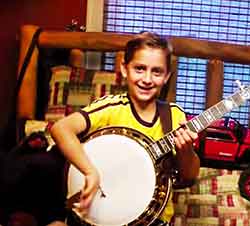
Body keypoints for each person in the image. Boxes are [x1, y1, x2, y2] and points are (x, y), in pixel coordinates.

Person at [50, 32, 200, 225]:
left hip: (154, 219)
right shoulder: (111, 107)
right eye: (139, 68)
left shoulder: (174, 116)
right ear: (124, 69)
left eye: (157, 71)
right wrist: (90, 171)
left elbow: (189, 176)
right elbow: (61, 128)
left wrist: (185, 150)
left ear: (166, 77)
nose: (147, 79)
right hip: (104, 215)